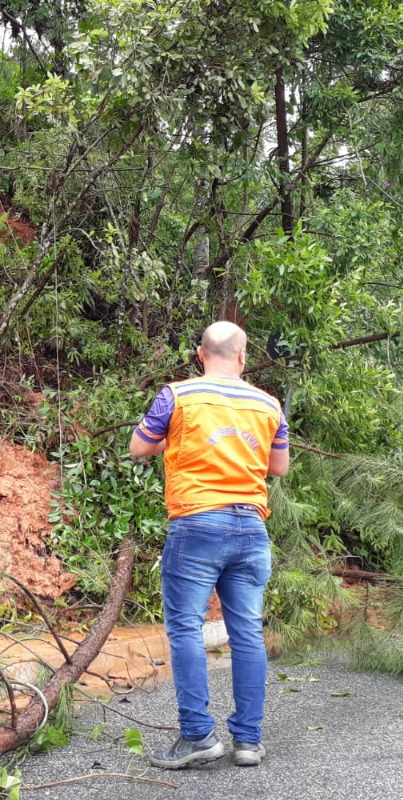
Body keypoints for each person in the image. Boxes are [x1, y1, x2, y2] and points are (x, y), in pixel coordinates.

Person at [129, 321, 289, 769]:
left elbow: (138, 446)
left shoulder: (177, 395)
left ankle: (198, 736)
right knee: (247, 634)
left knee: (185, 631)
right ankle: (248, 742)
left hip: (197, 523)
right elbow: (278, 467)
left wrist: (175, 442)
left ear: (201, 354)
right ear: (242, 356)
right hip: (251, 527)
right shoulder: (268, 403)